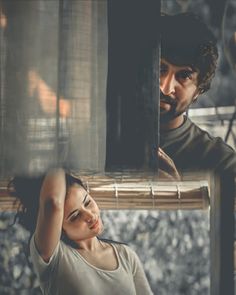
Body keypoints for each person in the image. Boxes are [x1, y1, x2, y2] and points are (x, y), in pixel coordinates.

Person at [11, 169, 153, 295]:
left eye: (87, 202)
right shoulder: (54, 258)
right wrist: (60, 149)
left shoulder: (125, 255)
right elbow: (53, 202)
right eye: (75, 216)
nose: (90, 216)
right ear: (57, 227)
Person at [159, 12, 236, 176]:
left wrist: (179, 199)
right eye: (160, 69)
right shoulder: (99, 140)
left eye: (184, 76)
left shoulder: (222, 164)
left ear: (198, 91)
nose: (165, 88)